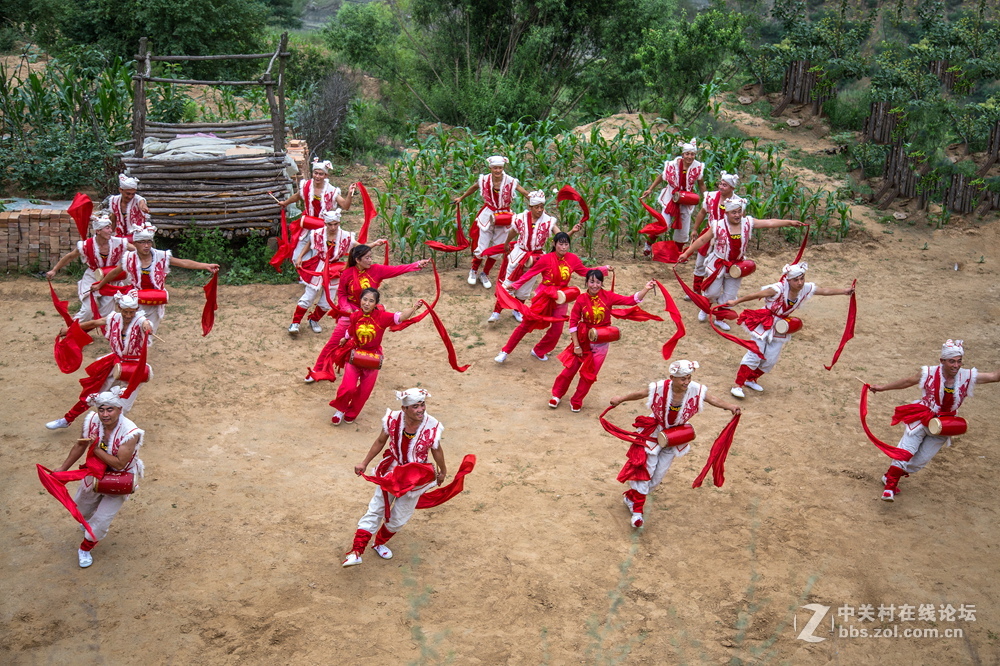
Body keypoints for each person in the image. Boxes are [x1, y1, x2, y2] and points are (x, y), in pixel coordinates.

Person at [612, 360, 740, 528]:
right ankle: (637, 511)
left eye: (688, 378)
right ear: (672, 377)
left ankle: (631, 497)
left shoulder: (695, 388)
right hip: (653, 432)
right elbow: (641, 393)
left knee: (657, 477)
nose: (686, 382)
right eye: (683, 379)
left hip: (674, 437)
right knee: (645, 469)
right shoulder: (660, 387)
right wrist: (620, 399)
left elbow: (712, 398)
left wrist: (731, 406)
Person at [869, 340, 1000, 501]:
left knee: (919, 463)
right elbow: (907, 382)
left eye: (959, 361)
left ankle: (890, 475)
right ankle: (889, 488)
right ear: (942, 361)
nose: (956, 365)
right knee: (905, 452)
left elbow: (995, 376)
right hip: (921, 417)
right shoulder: (928, 372)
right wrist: (882, 387)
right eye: (952, 361)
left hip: (944, 426)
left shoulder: (968, 375)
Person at [343, 388, 446, 567]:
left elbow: (436, 449)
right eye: (415, 406)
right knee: (376, 508)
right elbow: (381, 441)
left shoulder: (432, 425)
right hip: (392, 471)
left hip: (417, 477)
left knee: (399, 518)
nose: (421, 409)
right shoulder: (392, 419)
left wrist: (442, 471)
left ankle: (379, 543)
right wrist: (364, 463)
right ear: (404, 408)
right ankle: (356, 551)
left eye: (422, 405)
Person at [723, 262, 855, 398]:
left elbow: (824, 291)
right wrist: (735, 302)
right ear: (788, 280)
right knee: (755, 354)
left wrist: (844, 291)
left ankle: (751, 379)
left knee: (771, 358)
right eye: (796, 280)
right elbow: (756, 295)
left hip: (781, 325)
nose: (800, 282)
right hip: (765, 321)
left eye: (802, 278)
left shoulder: (806, 288)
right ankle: (738, 385)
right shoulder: (777, 289)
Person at [678, 198, 806, 331]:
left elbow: (769, 222)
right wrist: (686, 253)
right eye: (733, 212)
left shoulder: (747, 223)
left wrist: (789, 222)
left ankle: (720, 318)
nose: (737, 215)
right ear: (726, 213)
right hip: (718, 264)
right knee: (712, 292)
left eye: (739, 211)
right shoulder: (718, 226)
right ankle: (705, 308)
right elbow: (702, 239)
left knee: (730, 295)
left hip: (737, 267)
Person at [51, 387, 145, 568]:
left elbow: (119, 464)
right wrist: (63, 468)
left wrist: (95, 449)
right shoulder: (92, 421)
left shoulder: (130, 432)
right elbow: (80, 446)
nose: (104, 414)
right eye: (101, 409)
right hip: (95, 471)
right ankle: (90, 523)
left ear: (120, 409)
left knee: (101, 521)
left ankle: (85, 548)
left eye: (110, 409)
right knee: (82, 509)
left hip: (121, 477)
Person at [306, 245, 429, 382]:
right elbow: (341, 294)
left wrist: (416, 264)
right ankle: (317, 370)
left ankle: (364, 369)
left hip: (372, 315)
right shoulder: (346, 273)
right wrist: (346, 307)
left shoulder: (376, 270)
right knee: (334, 342)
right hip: (351, 314)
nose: (371, 260)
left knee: (370, 343)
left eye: (371, 257)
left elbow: (396, 270)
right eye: (367, 257)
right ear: (358, 260)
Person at [45, 290, 154, 430]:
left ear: (136, 310)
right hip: (115, 363)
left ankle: (112, 431)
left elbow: (146, 325)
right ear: (120, 308)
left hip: (134, 368)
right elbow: (94, 323)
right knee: (93, 393)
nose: (128, 315)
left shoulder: (141, 321)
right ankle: (67, 419)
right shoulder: (113, 318)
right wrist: (70, 330)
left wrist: (147, 327)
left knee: (124, 404)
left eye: (131, 312)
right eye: (125, 312)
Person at [494, 232, 609, 364]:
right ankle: (505, 351)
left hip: (562, 297)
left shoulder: (573, 259)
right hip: (545, 296)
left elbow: (585, 272)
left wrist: (603, 269)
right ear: (554, 244)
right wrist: (515, 285)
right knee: (526, 324)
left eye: (566, 244)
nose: (564, 247)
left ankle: (539, 350)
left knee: (557, 329)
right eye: (561, 244)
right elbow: (531, 273)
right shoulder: (546, 259)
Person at [550, 272, 655, 412]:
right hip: (582, 340)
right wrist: (576, 345)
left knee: (589, 375)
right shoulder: (581, 299)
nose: (595, 285)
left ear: (601, 283)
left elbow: (631, 300)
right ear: (587, 282)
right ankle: (556, 395)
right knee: (570, 369)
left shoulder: (608, 296)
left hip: (601, 343)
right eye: (592, 282)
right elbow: (573, 323)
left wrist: (646, 289)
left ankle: (577, 399)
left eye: (598, 282)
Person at [90, 226, 221, 333]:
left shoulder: (161, 256)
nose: (146, 246)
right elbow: (114, 273)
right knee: (132, 330)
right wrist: (101, 284)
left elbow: (183, 263)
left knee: (149, 332)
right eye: (142, 242)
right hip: (135, 299)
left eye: (148, 242)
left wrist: (206, 266)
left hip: (155, 298)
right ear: (135, 243)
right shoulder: (129, 258)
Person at [328, 288, 423, 425]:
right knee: (348, 386)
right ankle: (340, 410)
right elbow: (351, 330)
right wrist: (344, 338)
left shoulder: (382, 317)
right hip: (355, 355)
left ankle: (352, 412)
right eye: (365, 299)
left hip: (372, 359)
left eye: (371, 301)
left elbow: (401, 317)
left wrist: (414, 308)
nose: (367, 303)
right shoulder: (355, 316)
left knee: (364, 390)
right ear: (360, 300)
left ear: (375, 303)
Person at [488, 190, 581, 323]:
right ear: (530, 207)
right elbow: (513, 231)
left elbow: (560, 237)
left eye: (542, 207)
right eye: (536, 207)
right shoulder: (520, 218)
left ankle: (517, 310)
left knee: (526, 286)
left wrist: (572, 231)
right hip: (519, 254)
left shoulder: (548, 221)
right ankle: (496, 312)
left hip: (536, 257)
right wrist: (507, 243)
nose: (540, 210)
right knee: (509, 283)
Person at [288, 209, 387, 335]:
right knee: (309, 296)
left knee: (326, 300)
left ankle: (314, 320)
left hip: (335, 269)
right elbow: (309, 243)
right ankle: (295, 323)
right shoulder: (317, 233)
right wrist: (301, 256)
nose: (333, 227)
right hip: (318, 266)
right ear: (325, 223)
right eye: (330, 224)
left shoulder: (345, 236)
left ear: (339, 222)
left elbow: (359, 247)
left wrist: (373, 244)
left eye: (335, 224)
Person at [453, 155, 530, 289]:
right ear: (490, 168)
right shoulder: (484, 180)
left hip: (505, 215)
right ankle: (474, 270)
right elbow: (474, 187)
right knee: (482, 245)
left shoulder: (510, 181)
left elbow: (524, 192)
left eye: (500, 168)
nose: (497, 170)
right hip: (488, 214)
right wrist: (462, 197)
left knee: (497, 248)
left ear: (503, 168)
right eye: (495, 168)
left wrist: (536, 203)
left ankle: (485, 273)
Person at [45, 214, 131, 321]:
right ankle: (72, 330)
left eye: (110, 228)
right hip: (93, 277)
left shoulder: (119, 242)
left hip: (111, 280)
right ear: (98, 231)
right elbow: (70, 256)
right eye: (107, 228)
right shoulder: (86, 245)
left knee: (107, 314)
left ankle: (109, 334)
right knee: (88, 311)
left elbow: (137, 251)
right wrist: (54, 270)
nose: (111, 231)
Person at [640, 139, 705, 252]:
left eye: (692, 154)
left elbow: (701, 183)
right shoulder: (672, 165)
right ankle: (649, 243)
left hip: (687, 198)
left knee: (684, 228)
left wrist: (706, 198)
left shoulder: (697, 167)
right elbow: (661, 176)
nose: (690, 157)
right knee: (664, 224)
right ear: (683, 154)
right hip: (670, 197)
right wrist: (650, 189)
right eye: (687, 154)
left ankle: (677, 252)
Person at [688, 172, 740, 298]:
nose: (721, 187)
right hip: (708, 233)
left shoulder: (738, 202)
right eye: (721, 184)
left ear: (732, 188)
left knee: (720, 266)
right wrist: (695, 229)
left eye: (725, 185)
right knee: (700, 262)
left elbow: (741, 222)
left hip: (726, 239)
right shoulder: (710, 197)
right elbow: (702, 212)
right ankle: (696, 291)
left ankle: (715, 293)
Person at [278, 160, 355, 218]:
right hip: (309, 221)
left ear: (326, 176)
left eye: (321, 174)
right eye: (315, 173)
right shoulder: (306, 185)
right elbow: (297, 196)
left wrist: (349, 194)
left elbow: (345, 206)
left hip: (324, 224)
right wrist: (285, 203)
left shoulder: (331, 191)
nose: (317, 176)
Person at [107, 173, 152, 239]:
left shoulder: (138, 199)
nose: (130, 196)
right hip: (120, 234)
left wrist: (144, 207)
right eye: (128, 193)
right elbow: (114, 220)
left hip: (137, 236)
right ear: (120, 190)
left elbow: (142, 203)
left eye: (133, 194)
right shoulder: (114, 200)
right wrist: (110, 235)